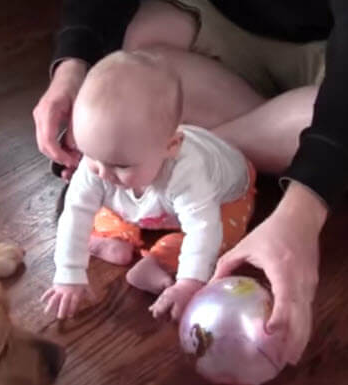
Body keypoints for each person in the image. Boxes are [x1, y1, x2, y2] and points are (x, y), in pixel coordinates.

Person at [34, 0, 348, 366]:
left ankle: (308, 144)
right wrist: (73, 67)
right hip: (233, 32)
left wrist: (303, 208)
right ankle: (345, 142)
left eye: (120, 166)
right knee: (129, 64)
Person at [41, 51, 257, 321]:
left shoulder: (190, 171)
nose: (102, 172)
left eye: (120, 164)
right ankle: (114, 239)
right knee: (95, 203)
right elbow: (74, 213)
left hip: (224, 197)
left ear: (170, 147)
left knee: (221, 234)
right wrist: (68, 275)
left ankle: (158, 261)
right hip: (155, 203)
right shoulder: (102, 163)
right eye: (91, 156)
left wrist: (190, 282)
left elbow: (203, 229)